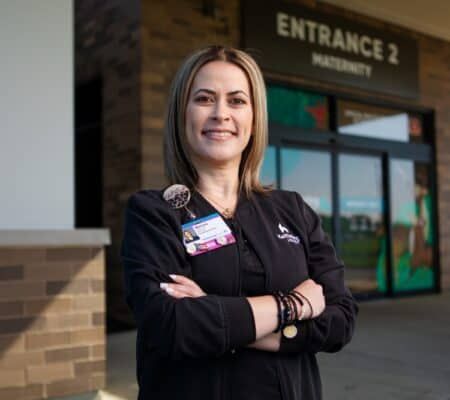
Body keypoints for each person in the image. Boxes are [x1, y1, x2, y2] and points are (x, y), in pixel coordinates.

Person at [121, 45, 358, 400]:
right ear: (181, 113)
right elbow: (173, 325)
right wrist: (291, 305)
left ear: (254, 117)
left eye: (236, 101)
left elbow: (340, 319)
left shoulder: (292, 210)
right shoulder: (154, 213)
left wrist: (215, 314)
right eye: (204, 99)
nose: (221, 113)